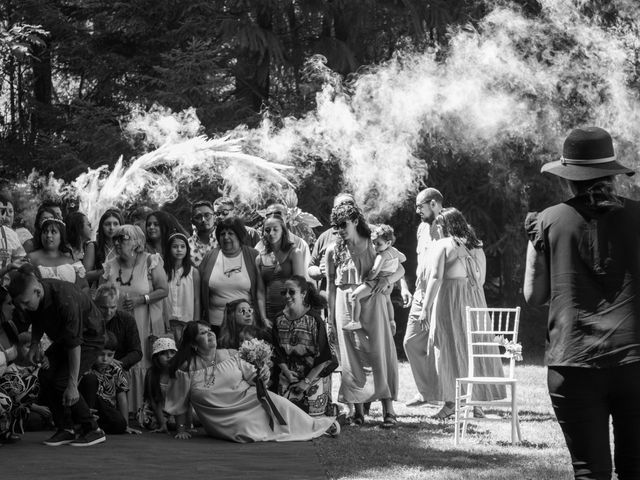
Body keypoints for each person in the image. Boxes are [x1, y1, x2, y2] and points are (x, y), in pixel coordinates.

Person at [524, 126, 640, 480]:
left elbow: (534, 295)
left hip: (572, 363)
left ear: (568, 180)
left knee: (590, 472)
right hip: (635, 361)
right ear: (612, 174)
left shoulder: (544, 222)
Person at [165, 321, 339, 442]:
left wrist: (262, 373)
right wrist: (181, 428)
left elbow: (255, 379)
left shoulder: (232, 354)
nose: (210, 333)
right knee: (245, 430)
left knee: (280, 404)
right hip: (223, 418)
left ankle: (319, 426)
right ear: (194, 344)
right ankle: (311, 429)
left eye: (210, 330)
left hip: (250, 399)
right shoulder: (186, 367)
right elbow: (180, 400)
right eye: (203, 333)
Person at [7, 264, 106, 447]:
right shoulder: (36, 296)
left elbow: (75, 344)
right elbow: (37, 316)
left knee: (63, 381)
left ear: (37, 292)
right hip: (64, 338)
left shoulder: (64, 299)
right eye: (19, 303)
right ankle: (66, 428)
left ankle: (93, 429)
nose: (22, 307)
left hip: (89, 338)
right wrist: (35, 344)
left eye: (25, 302)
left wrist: (73, 384)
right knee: (46, 374)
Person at [421, 207, 505, 419]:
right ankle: (475, 404)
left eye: (438, 225)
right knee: (473, 347)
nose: (436, 229)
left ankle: (450, 403)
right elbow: (482, 279)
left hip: (451, 298)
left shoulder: (443, 244)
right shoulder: (476, 246)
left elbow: (436, 278)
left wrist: (425, 307)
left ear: (445, 226)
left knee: (448, 345)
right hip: (475, 299)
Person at [326, 204, 404, 427]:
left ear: (356, 221)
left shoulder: (375, 243)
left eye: (344, 225)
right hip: (344, 305)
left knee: (379, 352)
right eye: (336, 226)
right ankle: (357, 412)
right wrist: (331, 317)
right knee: (351, 357)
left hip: (373, 301)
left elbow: (400, 268)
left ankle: (388, 410)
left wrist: (387, 281)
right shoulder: (334, 250)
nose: (340, 230)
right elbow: (331, 285)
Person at [101, 224, 168, 413]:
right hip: (116, 323)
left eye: (123, 238)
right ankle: (119, 408)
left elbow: (164, 290)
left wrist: (142, 299)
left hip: (144, 320)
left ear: (137, 242)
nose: (117, 242)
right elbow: (102, 293)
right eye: (116, 238)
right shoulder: (110, 264)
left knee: (142, 360)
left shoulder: (150, 261)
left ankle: (142, 408)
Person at [272, 276, 337, 416]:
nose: (287, 296)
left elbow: (324, 357)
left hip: (314, 376)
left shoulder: (314, 320)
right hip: (289, 376)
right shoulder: (278, 320)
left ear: (303, 294)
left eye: (292, 292)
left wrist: (306, 382)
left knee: (313, 420)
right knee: (286, 418)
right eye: (284, 292)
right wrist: (288, 373)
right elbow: (277, 352)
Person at [403, 187, 444, 407]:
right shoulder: (421, 228)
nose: (418, 210)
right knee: (410, 342)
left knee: (441, 346)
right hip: (420, 293)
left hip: (440, 294)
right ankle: (426, 392)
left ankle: (455, 397)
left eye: (421, 206)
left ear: (434, 204)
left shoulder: (449, 227)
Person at [199, 216, 267, 334]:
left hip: (246, 325)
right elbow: (200, 291)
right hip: (215, 324)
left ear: (239, 236)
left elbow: (261, 292)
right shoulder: (209, 257)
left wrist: (263, 318)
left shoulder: (253, 255)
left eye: (231, 233)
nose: (226, 237)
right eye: (222, 234)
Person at [345, 224, 406, 332]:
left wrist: (367, 279)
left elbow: (374, 270)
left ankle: (355, 322)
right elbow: (403, 258)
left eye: (378, 244)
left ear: (388, 243)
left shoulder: (382, 255)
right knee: (388, 301)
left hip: (377, 281)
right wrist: (393, 263)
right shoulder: (394, 251)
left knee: (355, 296)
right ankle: (392, 321)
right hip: (389, 284)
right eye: (373, 243)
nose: (375, 247)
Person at [78, 331, 140, 435]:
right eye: (101, 354)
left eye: (110, 355)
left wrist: (126, 425)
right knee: (90, 379)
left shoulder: (116, 370)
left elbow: (122, 397)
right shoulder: (86, 366)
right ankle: (87, 424)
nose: (105, 359)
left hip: (105, 409)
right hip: (86, 406)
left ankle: (97, 427)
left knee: (120, 425)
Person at [256, 215, 306, 323]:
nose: (271, 233)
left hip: (291, 313)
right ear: (263, 233)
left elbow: (300, 287)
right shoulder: (259, 258)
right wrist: (263, 317)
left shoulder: (294, 253)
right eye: (267, 230)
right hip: (269, 314)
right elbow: (260, 291)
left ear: (283, 231)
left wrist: (294, 314)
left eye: (275, 229)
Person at [27, 218, 88, 292]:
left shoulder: (71, 258)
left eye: (53, 232)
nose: (48, 235)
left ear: (61, 236)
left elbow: (84, 287)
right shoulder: (31, 258)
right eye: (45, 232)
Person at [94, 284, 142, 372]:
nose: (108, 312)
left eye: (113, 307)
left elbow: (137, 352)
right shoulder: (87, 319)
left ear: (117, 304)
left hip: (118, 370)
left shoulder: (127, 319)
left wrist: (117, 363)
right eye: (103, 308)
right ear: (95, 304)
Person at [163, 231, 200, 342]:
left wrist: (196, 323)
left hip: (186, 323)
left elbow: (196, 300)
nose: (179, 250)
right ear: (169, 249)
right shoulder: (163, 271)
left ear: (187, 250)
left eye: (182, 246)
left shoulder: (193, 272)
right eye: (175, 246)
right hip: (167, 322)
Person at [260, 202, 311, 275]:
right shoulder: (261, 245)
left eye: (278, 215)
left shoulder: (300, 244)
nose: (273, 217)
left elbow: (305, 277)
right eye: (268, 215)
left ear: (287, 218)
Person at [139, 337, 177, 433]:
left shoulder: (179, 372)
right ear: (156, 357)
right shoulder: (152, 373)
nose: (169, 356)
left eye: (172, 352)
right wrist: (163, 424)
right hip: (156, 409)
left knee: (196, 417)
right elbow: (155, 402)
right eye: (164, 353)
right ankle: (164, 423)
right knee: (150, 423)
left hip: (175, 408)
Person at [85, 208, 123, 284]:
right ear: (101, 227)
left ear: (121, 226)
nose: (111, 228)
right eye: (107, 224)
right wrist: (105, 269)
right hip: (101, 292)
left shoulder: (125, 246)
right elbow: (85, 276)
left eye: (115, 224)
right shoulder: (93, 246)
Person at [188, 200, 218, 267]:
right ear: (192, 221)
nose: (203, 220)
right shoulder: (187, 245)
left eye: (207, 215)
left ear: (215, 217)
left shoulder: (225, 239)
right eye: (198, 217)